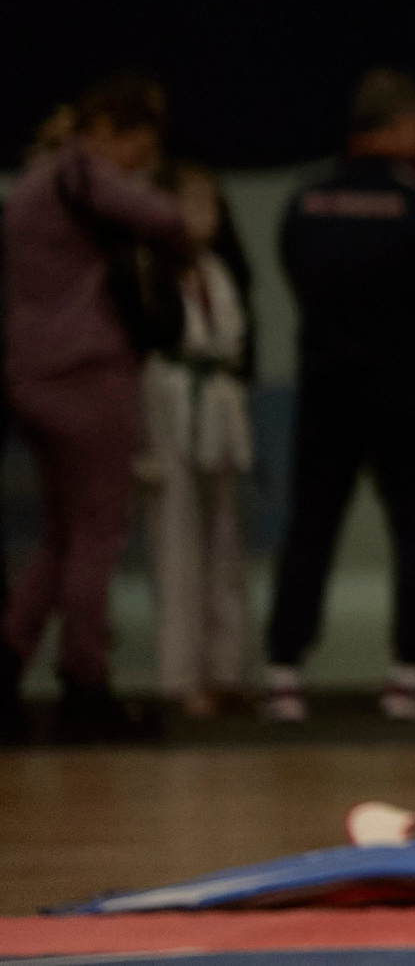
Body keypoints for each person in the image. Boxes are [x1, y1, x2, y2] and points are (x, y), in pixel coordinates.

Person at [266, 69, 415, 723]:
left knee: (310, 525)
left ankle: (283, 673)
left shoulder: (306, 202)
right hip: (406, 389)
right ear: (404, 126)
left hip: (328, 388)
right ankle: (409, 676)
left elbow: (296, 277)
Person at [2, 73, 191, 743]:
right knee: (98, 535)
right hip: (86, 371)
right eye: (142, 143)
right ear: (112, 130)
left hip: (28, 369)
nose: (145, 159)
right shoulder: (81, 171)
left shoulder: (33, 178)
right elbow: (167, 221)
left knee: (58, 535)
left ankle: (9, 662)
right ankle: (86, 685)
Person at [139, 163, 256, 719]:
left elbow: (239, 344)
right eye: (189, 204)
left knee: (225, 544)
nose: (200, 217)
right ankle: (180, 677)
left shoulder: (221, 270)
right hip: (173, 403)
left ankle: (227, 669)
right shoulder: (152, 272)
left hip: (219, 406)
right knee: (177, 544)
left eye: (209, 205)